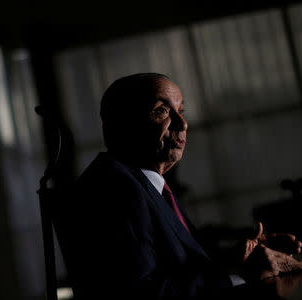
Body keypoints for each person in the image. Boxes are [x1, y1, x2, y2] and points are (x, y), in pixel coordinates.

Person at [54, 73, 302, 299]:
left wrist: (242, 256)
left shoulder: (144, 182)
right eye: (161, 111)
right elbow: (142, 293)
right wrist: (242, 275)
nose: (182, 124)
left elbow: (175, 264)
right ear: (121, 124)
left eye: (180, 110)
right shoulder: (113, 190)